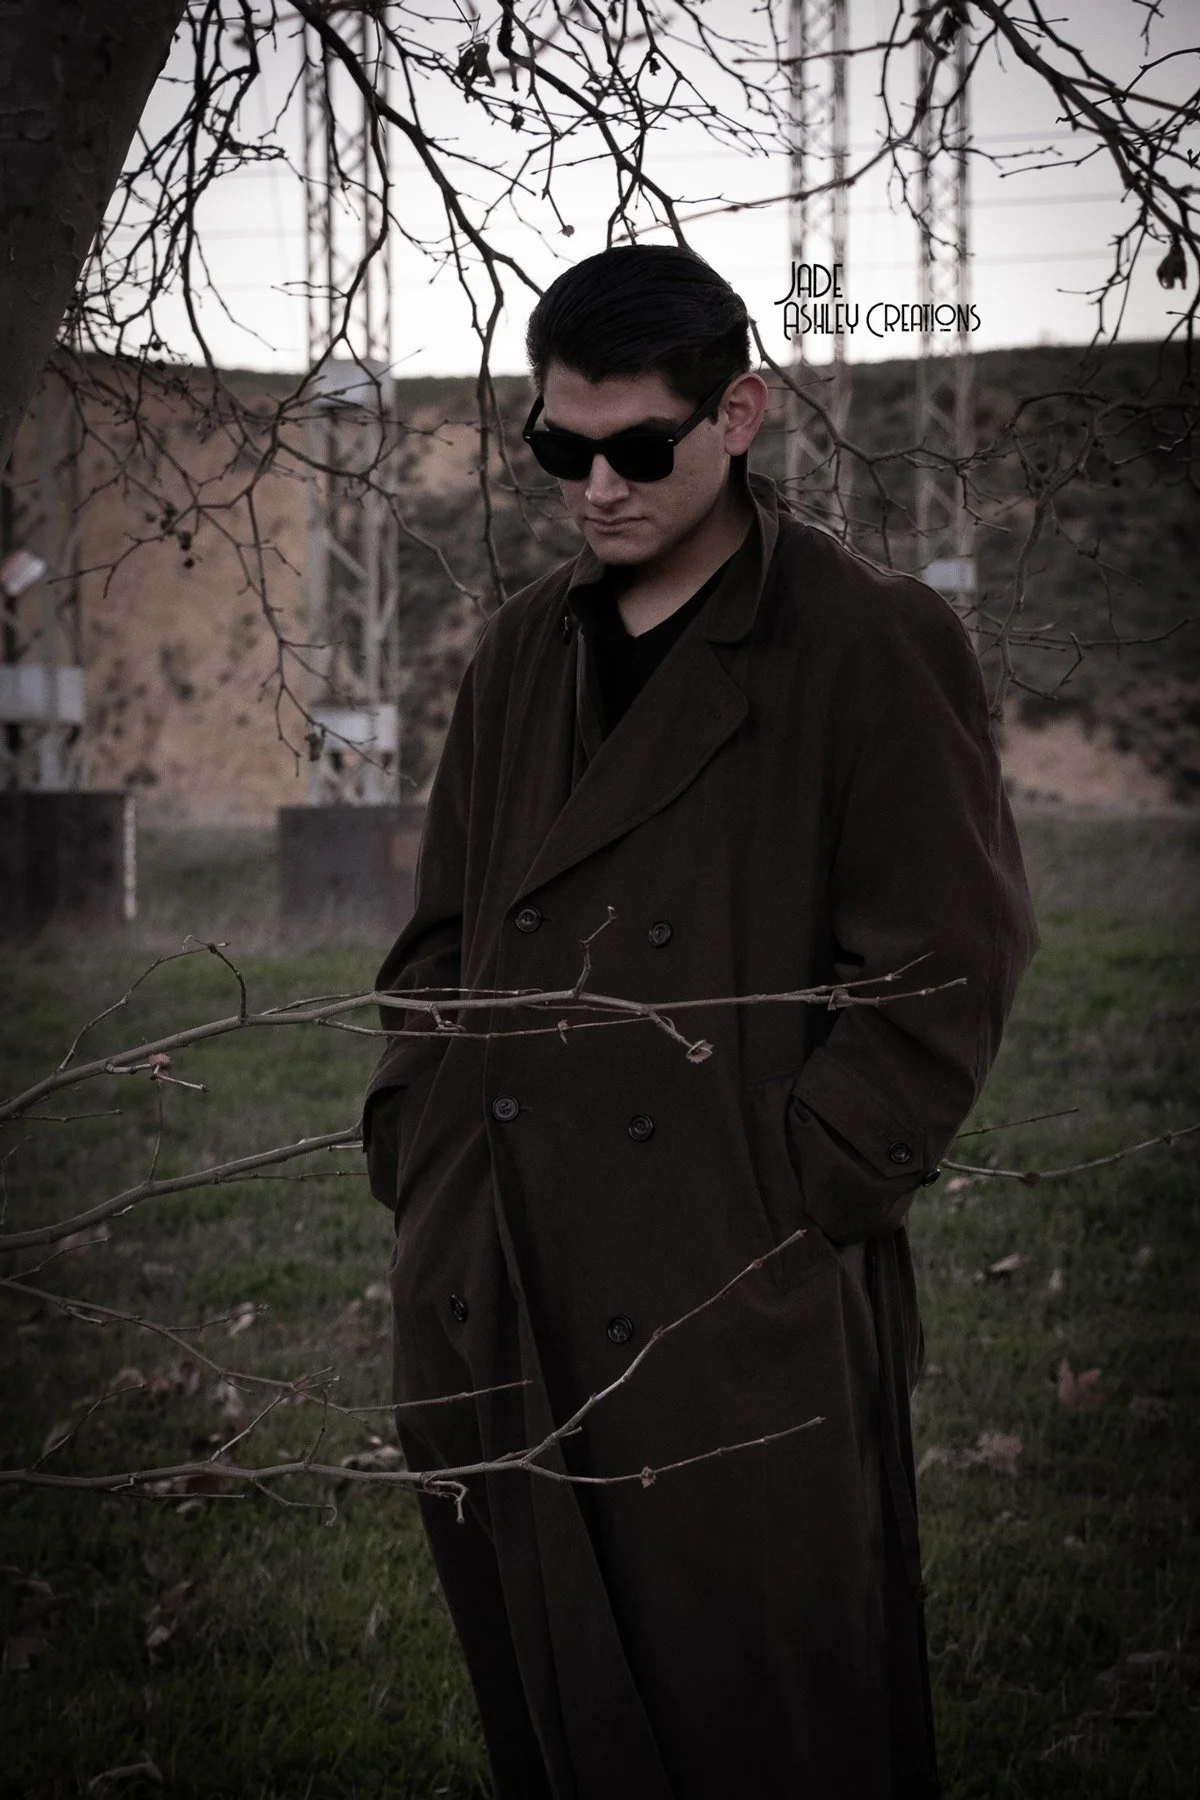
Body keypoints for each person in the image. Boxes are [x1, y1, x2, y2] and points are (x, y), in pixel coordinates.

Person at [363, 244, 1038, 1799]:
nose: (593, 486)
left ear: (739, 413)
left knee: (769, 1715)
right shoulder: (524, 647)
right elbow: (444, 935)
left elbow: (949, 958)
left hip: (733, 1292)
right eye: (557, 448)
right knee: (552, 1708)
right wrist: (423, 1150)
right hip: (502, 1270)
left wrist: (802, 1199)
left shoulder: (867, 639)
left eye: (636, 448)